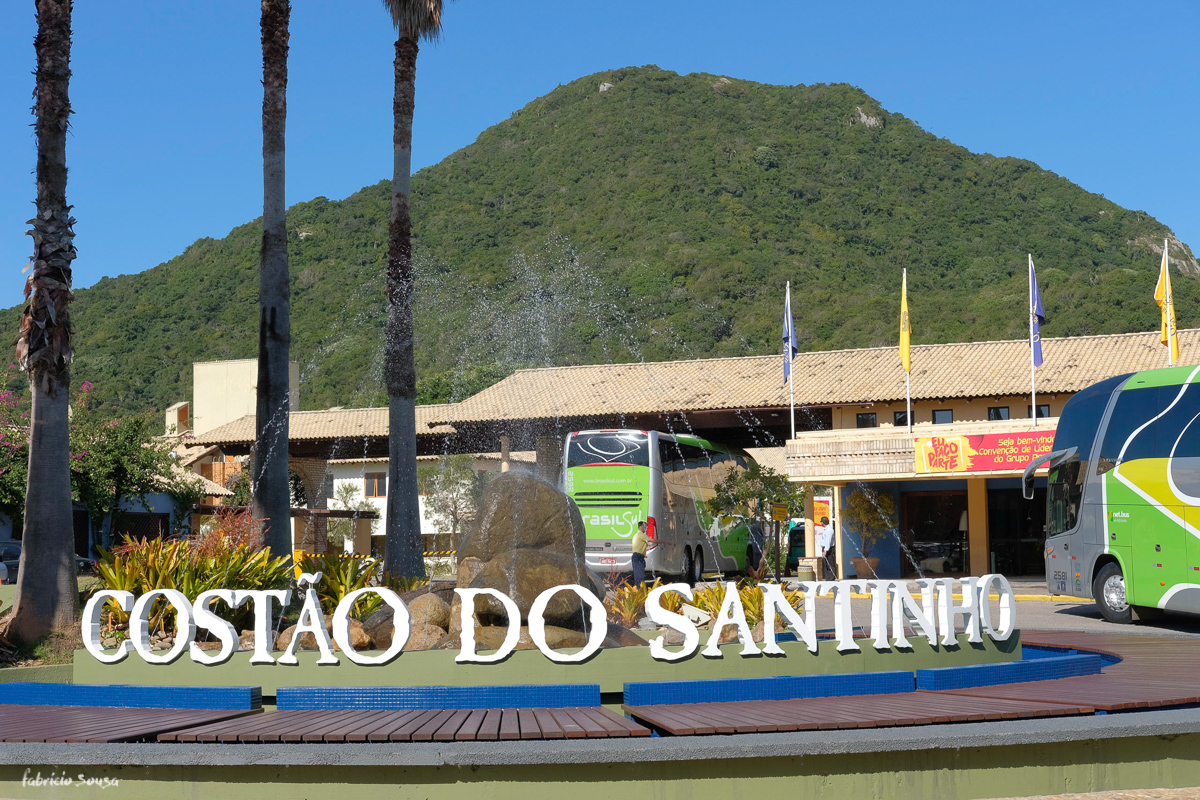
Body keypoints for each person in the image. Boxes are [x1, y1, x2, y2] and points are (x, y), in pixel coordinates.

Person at [630, 520, 648, 586]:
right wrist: (664, 541)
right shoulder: (641, 535)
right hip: (638, 556)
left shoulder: (639, 534)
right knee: (639, 576)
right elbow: (651, 540)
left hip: (638, 557)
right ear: (640, 527)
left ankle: (639, 589)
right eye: (644, 526)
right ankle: (639, 589)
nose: (646, 528)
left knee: (639, 575)